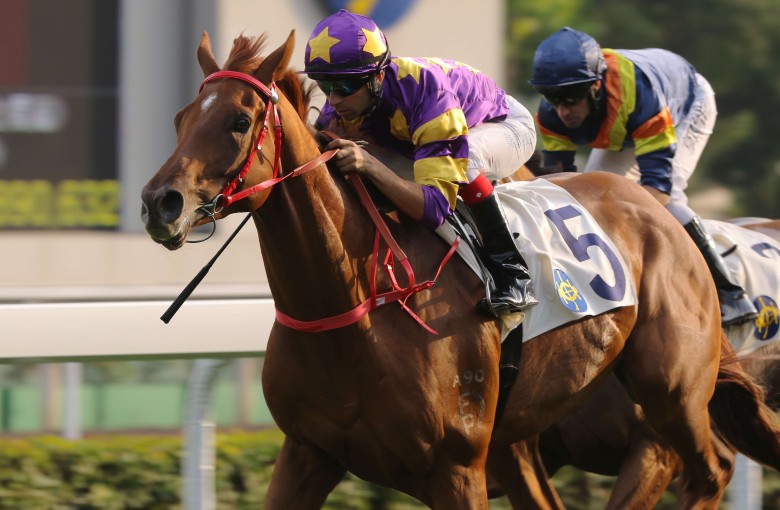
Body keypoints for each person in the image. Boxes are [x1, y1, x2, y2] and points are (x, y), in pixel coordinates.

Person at [302, 9, 539, 317]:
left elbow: (434, 209)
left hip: (507, 126)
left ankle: (513, 273)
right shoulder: (342, 108)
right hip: (427, 136)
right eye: (324, 86)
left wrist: (371, 165)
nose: (333, 101)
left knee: (465, 160)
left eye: (345, 87)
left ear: (377, 77)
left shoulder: (427, 89)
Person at [528, 26, 757, 327]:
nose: (562, 110)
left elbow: (657, 190)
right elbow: (562, 191)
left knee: (668, 198)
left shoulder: (638, 96)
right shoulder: (551, 114)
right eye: (552, 97)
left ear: (595, 86)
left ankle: (730, 293)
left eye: (570, 98)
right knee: (590, 198)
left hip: (684, 102)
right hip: (627, 119)